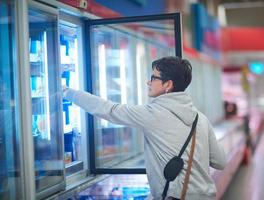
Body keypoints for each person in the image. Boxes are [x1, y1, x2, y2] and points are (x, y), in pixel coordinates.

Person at [63, 56, 226, 200]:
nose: (149, 82)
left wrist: (68, 92)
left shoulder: (153, 114)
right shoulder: (201, 119)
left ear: (167, 84)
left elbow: (109, 110)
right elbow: (220, 162)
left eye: (153, 77)